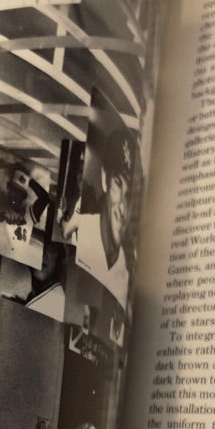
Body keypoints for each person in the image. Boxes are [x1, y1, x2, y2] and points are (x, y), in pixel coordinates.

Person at [68, 126, 135, 308]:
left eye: (129, 196)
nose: (122, 205)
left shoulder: (127, 278)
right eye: (118, 183)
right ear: (105, 179)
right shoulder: (78, 233)